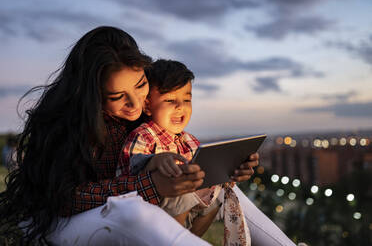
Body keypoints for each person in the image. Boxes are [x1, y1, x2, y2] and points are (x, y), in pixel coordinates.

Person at [0, 26, 261, 245]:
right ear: (92, 96)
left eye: (140, 85)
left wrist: (224, 170)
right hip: (60, 222)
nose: (136, 104)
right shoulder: (66, 123)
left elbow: (154, 160)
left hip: (122, 212)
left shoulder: (143, 117)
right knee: (130, 211)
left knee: (225, 191)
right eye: (116, 97)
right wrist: (152, 185)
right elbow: (65, 199)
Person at [117, 59, 251, 245]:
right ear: (148, 106)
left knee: (218, 193)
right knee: (179, 190)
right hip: (153, 213)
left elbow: (205, 172)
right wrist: (153, 161)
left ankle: (188, 239)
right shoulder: (143, 136)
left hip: (188, 214)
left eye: (186, 100)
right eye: (170, 100)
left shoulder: (189, 141)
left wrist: (228, 169)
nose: (180, 106)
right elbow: (129, 169)